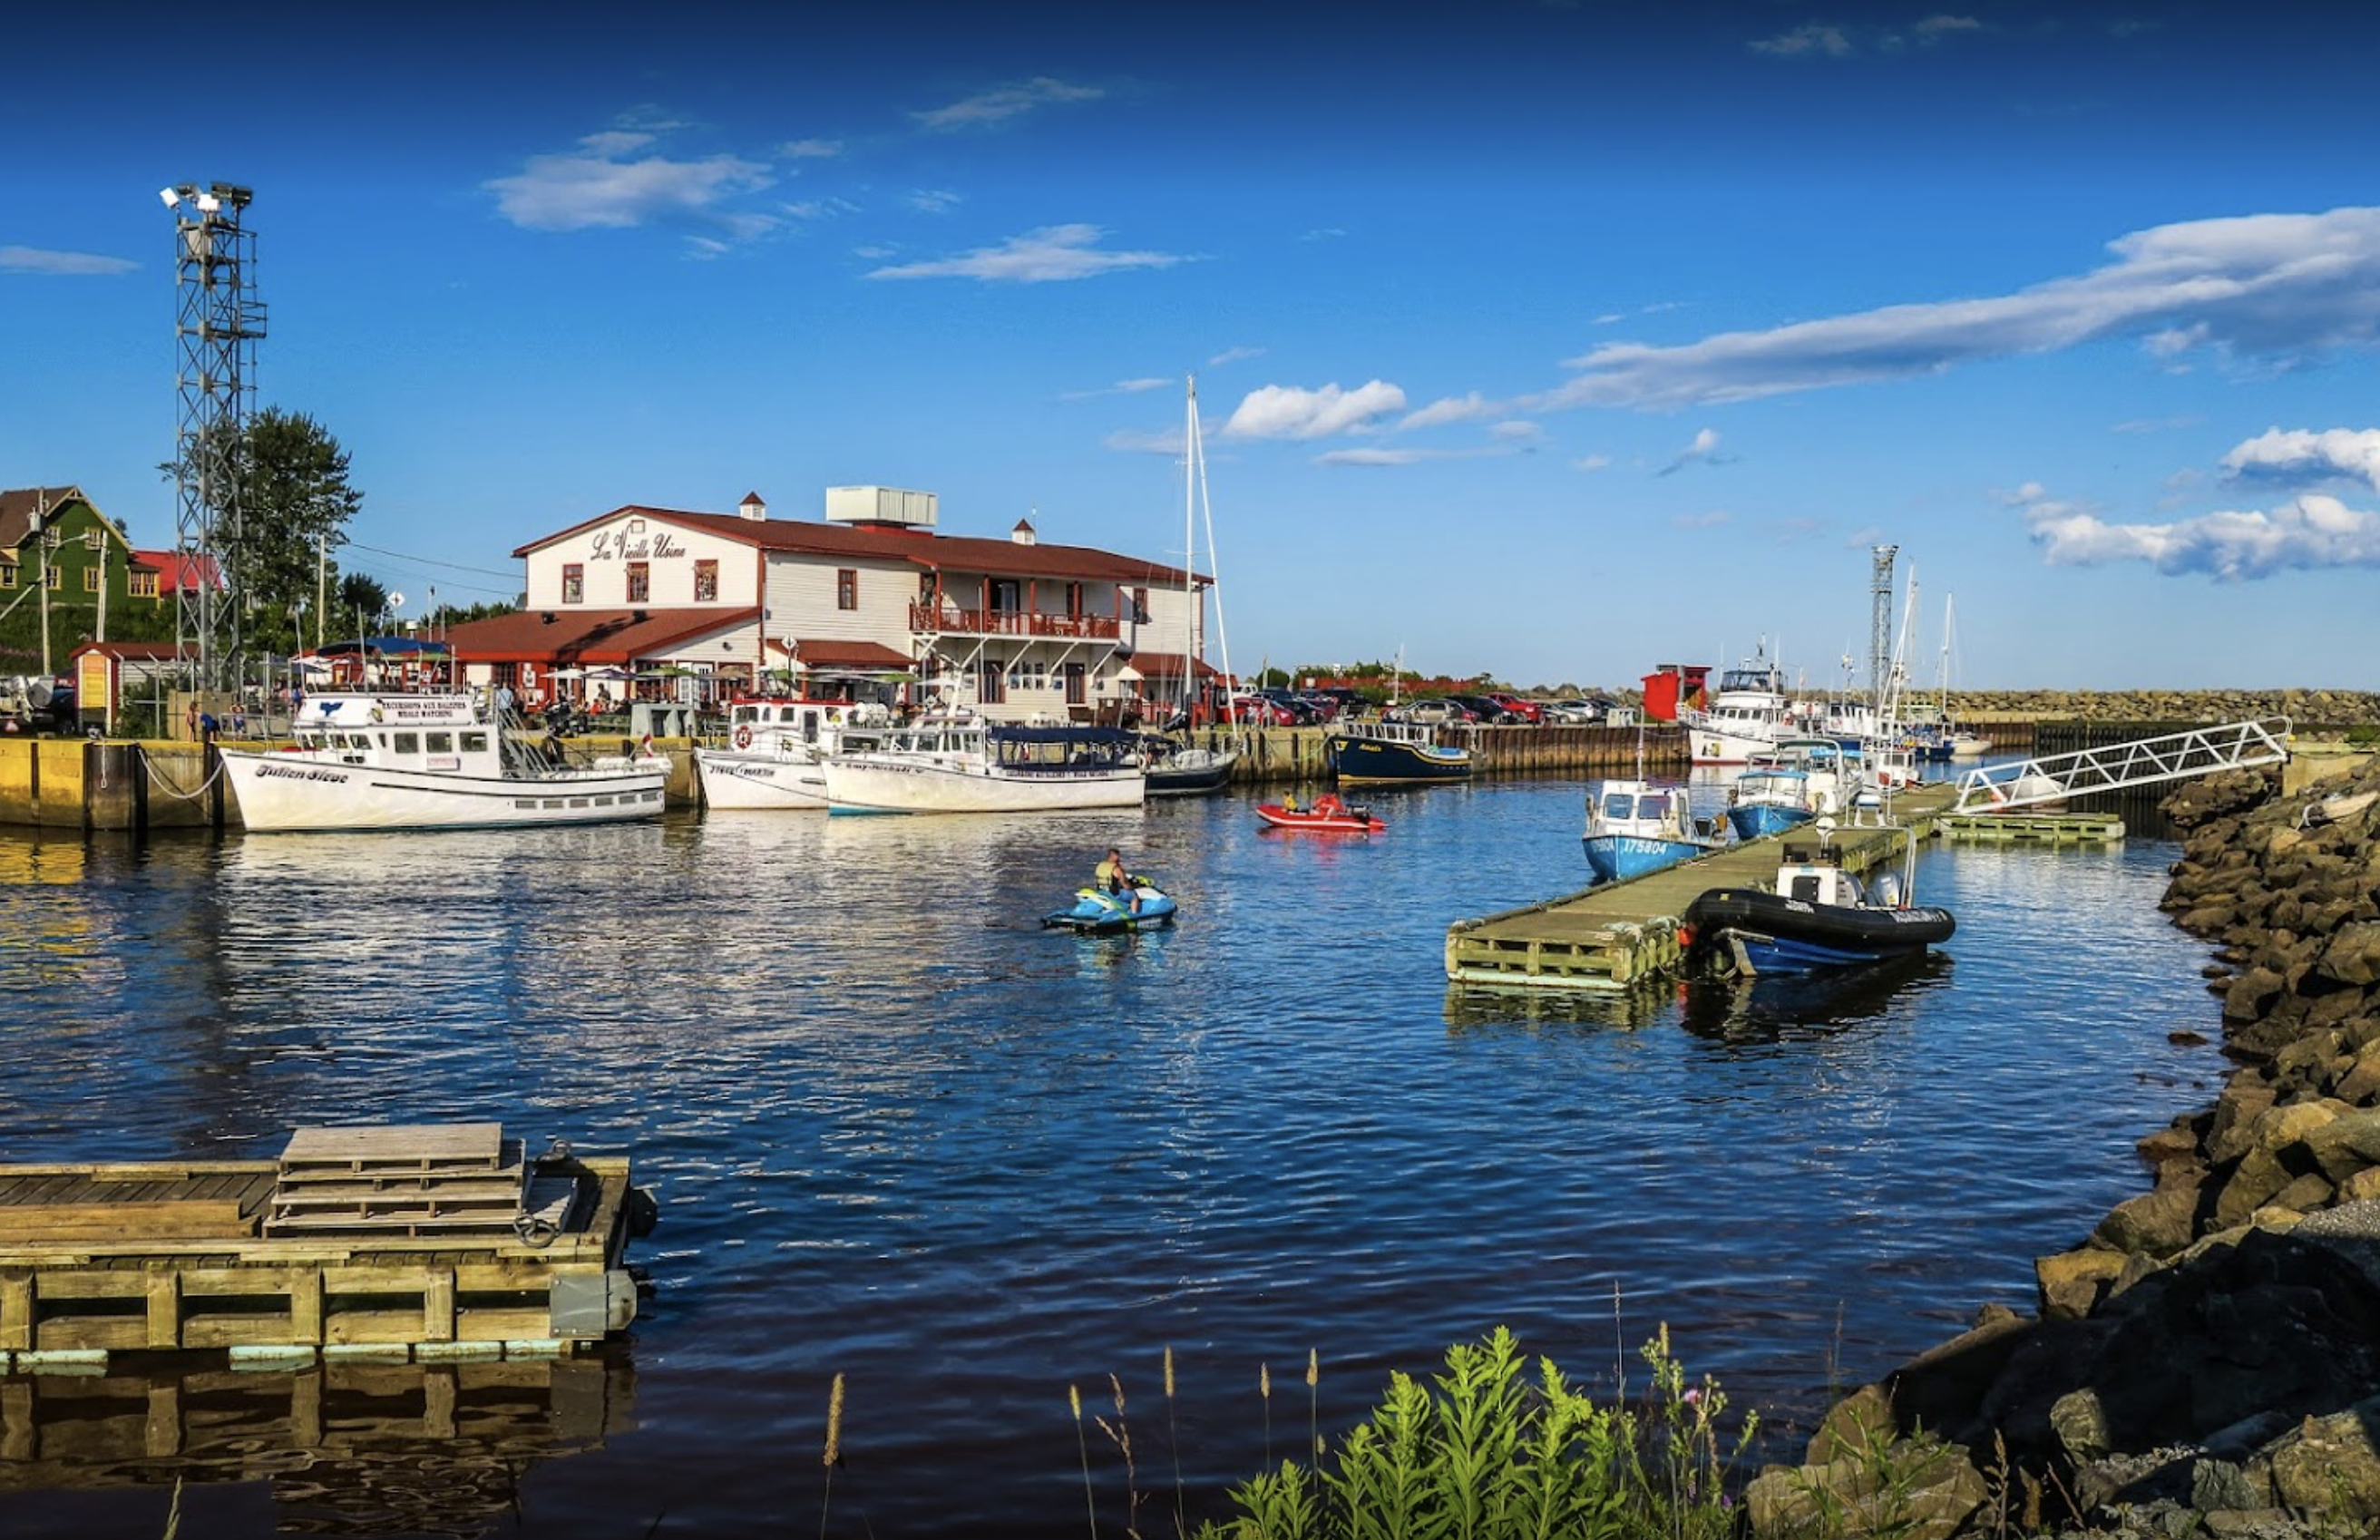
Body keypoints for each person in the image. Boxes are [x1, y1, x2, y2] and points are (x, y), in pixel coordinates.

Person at [1094, 847, 1140, 913]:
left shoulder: (1100, 865)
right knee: (1133, 895)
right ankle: (1134, 914)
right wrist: (1132, 887)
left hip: (1101, 892)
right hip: (1113, 894)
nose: (1119, 858)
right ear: (1116, 856)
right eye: (1118, 856)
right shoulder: (1116, 869)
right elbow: (1126, 886)